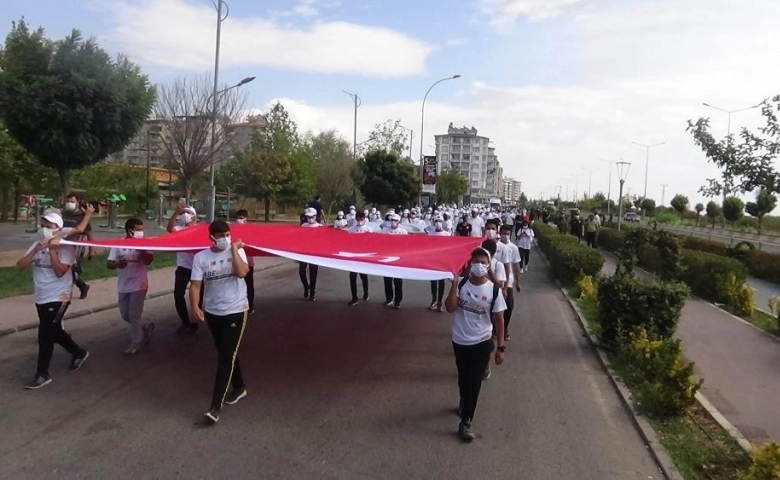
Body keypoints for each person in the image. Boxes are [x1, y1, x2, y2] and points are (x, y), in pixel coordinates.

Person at [16, 209, 94, 389]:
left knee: (45, 334)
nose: (44, 229)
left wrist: (52, 251)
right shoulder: (37, 244)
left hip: (59, 296)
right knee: (55, 330)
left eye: (48, 226)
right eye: (43, 225)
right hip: (41, 296)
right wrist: (36, 249)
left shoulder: (66, 247)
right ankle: (79, 352)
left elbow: (60, 272)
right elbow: (20, 266)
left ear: (58, 228)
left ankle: (42, 374)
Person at [190, 220, 250, 424]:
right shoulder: (201, 258)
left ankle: (215, 406)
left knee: (225, 357)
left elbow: (242, 273)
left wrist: (233, 251)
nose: (225, 238)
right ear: (211, 237)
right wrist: (195, 307)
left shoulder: (237, 251)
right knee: (227, 352)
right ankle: (240, 387)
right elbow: (196, 285)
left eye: (227, 234)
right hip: (213, 312)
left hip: (236, 310)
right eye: (220, 235)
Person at [444, 247, 506, 442]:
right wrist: (454, 284)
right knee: (463, 379)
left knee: (475, 382)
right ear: (470, 264)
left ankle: (466, 421)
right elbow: (450, 307)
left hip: (482, 342)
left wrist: (500, 347)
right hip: (460, 341)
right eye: (475, 262)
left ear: (488, 266)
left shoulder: (494, 290)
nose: (479, 265)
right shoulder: (462, 284)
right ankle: (464, 401)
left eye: (483, 262)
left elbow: (499, 320)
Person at [107, 218, 155, 355]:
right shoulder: (118, 244)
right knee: (125, 315)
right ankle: (145, 326)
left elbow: (149, 261)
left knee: (134, 315)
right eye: (138, 229)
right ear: (130, 231)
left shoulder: (144, 244)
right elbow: (109, 263)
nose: (141, 232)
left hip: (139, 284)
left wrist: (141, 250)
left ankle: (135, 342)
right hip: (123, 284)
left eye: (142, 229)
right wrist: (117, 265)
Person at [167, 203, 200, 334]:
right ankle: (184, 321)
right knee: (178, 295)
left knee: (199, 296)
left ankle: (195, 320)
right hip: (183, 267)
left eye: (187, 212)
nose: (185, 215)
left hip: (198, 268)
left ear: (194, 216)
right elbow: (169, 229)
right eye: (183, 213)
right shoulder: (179, 229)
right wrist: (176, 213)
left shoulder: (200, 229)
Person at [62, 192, 94, 299]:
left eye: (72, 201)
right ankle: (81, 285)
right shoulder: (63, 214)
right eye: (68, 201)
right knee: (63, 268)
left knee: (72, 269)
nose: (69, 203)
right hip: (62, 245)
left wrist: (91, 249)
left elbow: (89, 233)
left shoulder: (82, 216)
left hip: (76, 247)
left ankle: (79, 287)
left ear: (78, 202)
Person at [498, 224, 523, 341]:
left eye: (508, 234)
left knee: (509, 306)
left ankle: (505, 328)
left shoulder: (513, 248)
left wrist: (518, 282)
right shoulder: (495, 246)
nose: (505, 236)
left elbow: (516, 265)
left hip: (508, 282)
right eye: (503, 233)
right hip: (495, 280)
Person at [382, 214, 407, 308]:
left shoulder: (403, 231)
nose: (393, 222)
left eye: (395, 220)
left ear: (399, 221)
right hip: (387, 258)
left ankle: (398, 301)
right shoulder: (385, 231)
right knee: (387, 280)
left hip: (398, 259)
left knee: (398, 281)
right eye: (392, 220)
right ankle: (389, 298)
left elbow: (406, 245)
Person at [347, 211, 372, 306]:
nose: (359, 221)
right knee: (352, 277)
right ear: (355, 219)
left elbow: (371, 243)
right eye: (358, 219)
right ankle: (354, 297)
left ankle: (366, 293)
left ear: (364, 219)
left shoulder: (368, 229)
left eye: (361, 219)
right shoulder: (351, 229)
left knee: (364, 276)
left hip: (363, 257)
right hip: (353, 257)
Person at [427, 216, 451, 311]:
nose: (438, 223)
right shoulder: (430, 234)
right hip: (433, 259)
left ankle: (440, 302)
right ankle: (434, 300)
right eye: (436, 221)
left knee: (441, 282)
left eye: (440, 221)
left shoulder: (447, 234)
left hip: (443, 260)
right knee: (433, 281)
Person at [300, 208, 323, 301]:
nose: (309, 218)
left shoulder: (319, 226)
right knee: (301, 271)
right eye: (308, 216)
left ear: (315, 216)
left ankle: (312, 292)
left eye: (311, 216)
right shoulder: (304, 225)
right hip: (304, 252)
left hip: (314, 254)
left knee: (313, 273)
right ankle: (306, 287)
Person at [235, 210, 255, 314]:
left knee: (248, 284)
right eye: (238, 217)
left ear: (246, 218)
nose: (239, 219)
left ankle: (250, 305)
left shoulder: (250, 229)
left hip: (248, 261)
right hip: (236, 261)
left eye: (241, 217)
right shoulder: (234, 229)